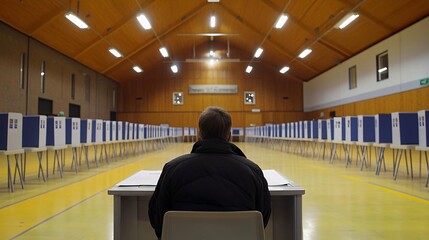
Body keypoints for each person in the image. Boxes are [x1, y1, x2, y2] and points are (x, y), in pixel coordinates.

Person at [148, 106, 271, 238]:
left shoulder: (172, 169)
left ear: (199, 134)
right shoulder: (252, 171)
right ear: (229, 135)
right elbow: (262, 217)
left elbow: (158, 219)